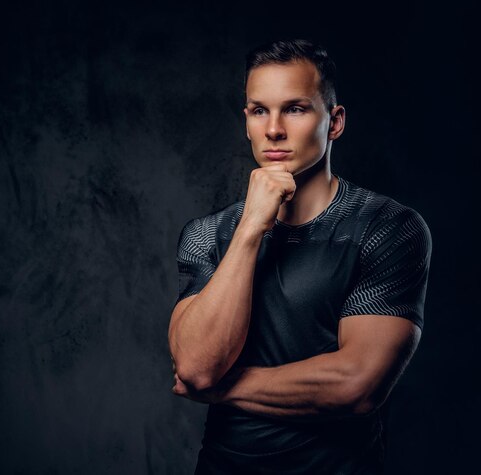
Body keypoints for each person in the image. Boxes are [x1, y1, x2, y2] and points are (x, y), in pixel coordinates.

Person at [168, 38, 432, 474]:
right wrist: (252, 228)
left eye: (295, 108)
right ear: (247, 121)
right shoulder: (208, 234)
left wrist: (224, 389)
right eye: (259, 110)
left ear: (334, 122)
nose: (273, 129)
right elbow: (197, 367)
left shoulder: (385, 227)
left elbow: (357, 384)